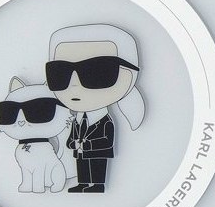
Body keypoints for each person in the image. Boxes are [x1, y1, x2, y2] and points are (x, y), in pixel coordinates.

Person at [46, 24, 145, 193]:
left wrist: (87, 144)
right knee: (82, 166)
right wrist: (72, 143)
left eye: (97, 72)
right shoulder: (77, 120)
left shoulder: (105, 121)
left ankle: (98, 184)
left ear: (129, 75)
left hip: (97, 152)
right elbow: (72, 135)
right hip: (80, 152)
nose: (74, 84)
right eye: (60, 73)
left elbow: (107, 139)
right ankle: (83, 183)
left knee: (98, 167)